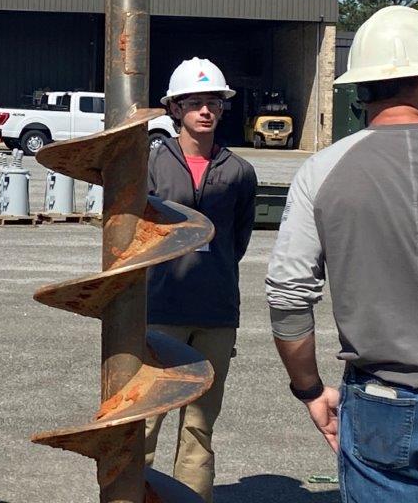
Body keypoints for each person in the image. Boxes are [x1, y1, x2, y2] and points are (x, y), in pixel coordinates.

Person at [267, 5, 418, 502]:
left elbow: (289, 299)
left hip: (382, 402)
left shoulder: (321, 172)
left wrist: (309, 390)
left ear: (362, 87)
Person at [143, 57, 257, 503]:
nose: (205, 111)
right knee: (146, 421)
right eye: (194, 103)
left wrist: (214, 271)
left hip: (215, 311)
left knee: (199, 426)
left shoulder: (239, 171)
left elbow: (238, 238)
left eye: (214, 103)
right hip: (159, 309)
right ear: (175, 110)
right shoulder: (151, 163)